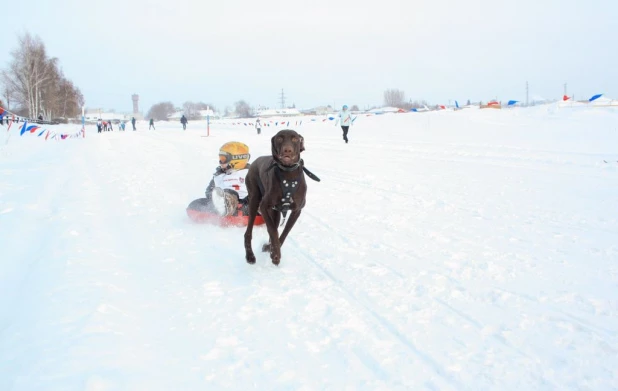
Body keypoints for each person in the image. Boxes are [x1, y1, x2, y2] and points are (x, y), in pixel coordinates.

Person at [204, 141, 252, 217]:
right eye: (220, 158)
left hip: (249, 206)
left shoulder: (251, 173)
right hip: (228, 206)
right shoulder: (219, 176)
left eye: (223, 159)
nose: (220, 162)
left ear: (236, 160)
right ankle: (225, 206)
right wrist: (214, 197)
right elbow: (209, 191)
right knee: (197, 203)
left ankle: (266, 210)